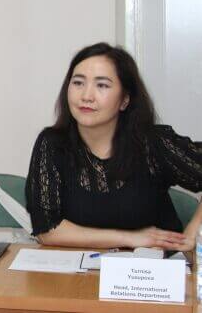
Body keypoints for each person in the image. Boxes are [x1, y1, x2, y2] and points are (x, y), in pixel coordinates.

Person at [25, 42, 202, 250]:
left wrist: (192, 234)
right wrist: (131, 238)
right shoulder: (52, 144)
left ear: (125, 100)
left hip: (153, 266)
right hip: (81, 267)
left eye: (102, 85)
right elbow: (47, 229)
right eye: (78, 82)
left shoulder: (153, 143)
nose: (86, 96)